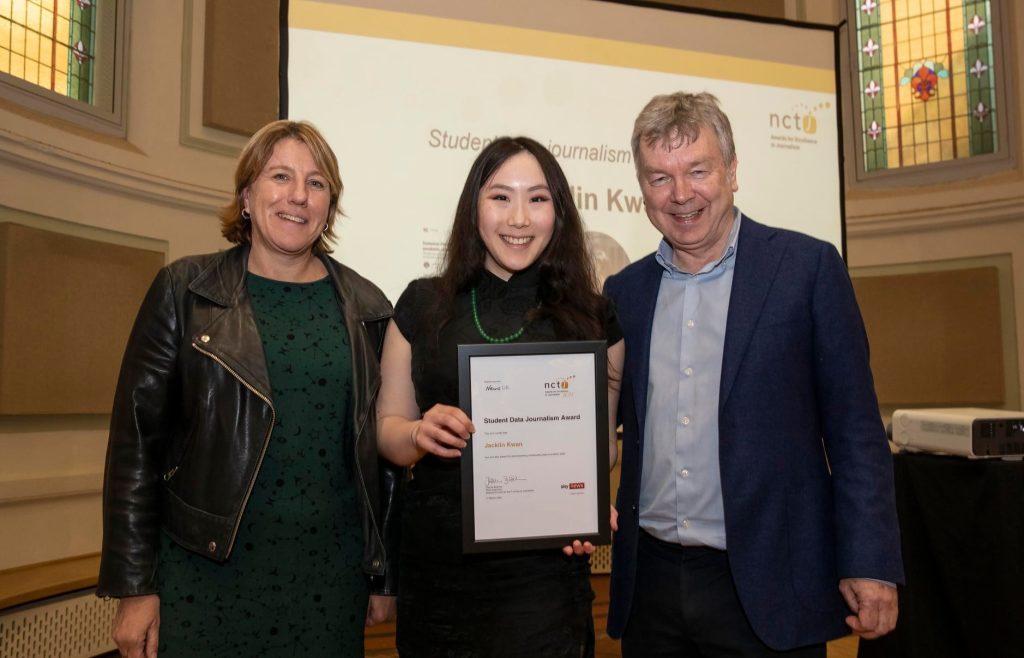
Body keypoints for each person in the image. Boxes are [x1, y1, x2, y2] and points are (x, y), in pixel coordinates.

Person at [603, 92, 904, 657]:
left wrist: (870, 560)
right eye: (660, 177)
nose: (681, 194)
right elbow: (609, 428)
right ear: (641, 189)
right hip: (652, 587)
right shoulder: (624, 293)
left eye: (698, 170)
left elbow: (857, 432)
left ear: (732, 171)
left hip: (771, 585)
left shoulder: (807, 270)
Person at [97, 120, 401, 657]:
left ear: (330, 205)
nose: (297, 197)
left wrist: (383, 574)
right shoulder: (184, 291)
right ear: (246, 195)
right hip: (205, 572)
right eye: (280, 176)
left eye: (316, 183)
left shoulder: (369, 307)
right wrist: (135, 586)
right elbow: (135, 447)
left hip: (329, 581)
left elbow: (383, 458)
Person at [376, 136, 624, 657]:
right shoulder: (422, 305)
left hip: (545, 581)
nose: (518, 217)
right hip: (441, 574)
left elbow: (603, 448)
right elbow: (388, 431)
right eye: (500, 196)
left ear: (558, 212)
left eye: (537, 198)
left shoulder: (594, 317)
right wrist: (419, 433)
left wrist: (585, 508)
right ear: (474, 208)